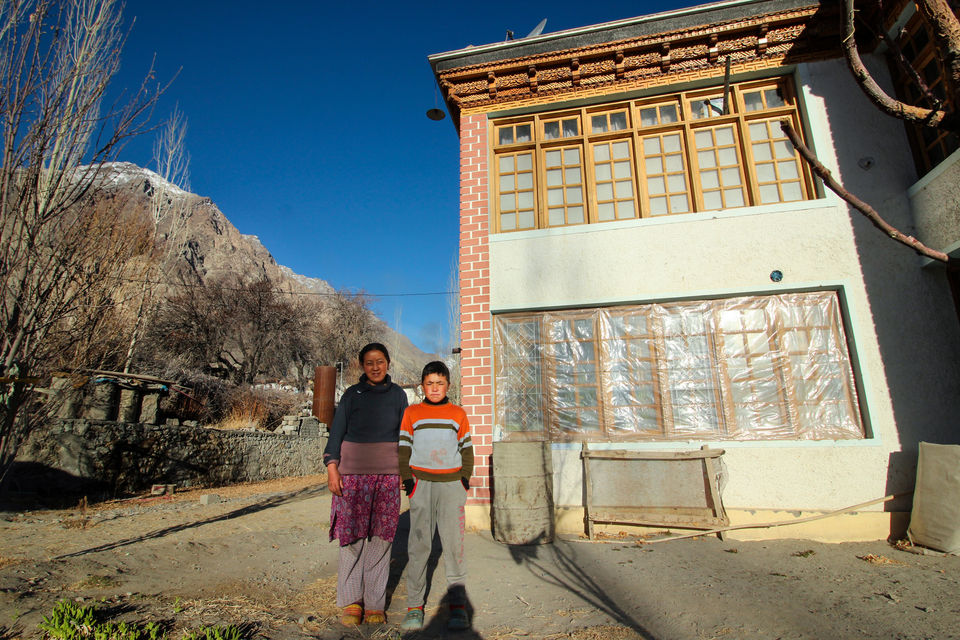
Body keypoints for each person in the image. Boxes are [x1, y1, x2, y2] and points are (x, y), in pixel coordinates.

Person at [323, 343, 408, 626]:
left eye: (380, 361)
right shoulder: (351, 395)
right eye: (369, 362)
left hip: (387, 478)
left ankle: (374, 603)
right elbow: (336, 434)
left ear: (388, 363)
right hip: (352, 478)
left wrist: (406, 473)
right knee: (352, 538)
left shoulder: (398, 395)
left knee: (382, 539)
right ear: (362, 366)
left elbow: (405, 436)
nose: (375, 367)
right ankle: (352, 601)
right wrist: (332, 468)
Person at [398, 360, 474, 631]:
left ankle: (457, 607)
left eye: (439, 383)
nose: (434, 388)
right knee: (420, 546)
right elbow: (404, 447)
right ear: (422, 386)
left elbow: (467, 449)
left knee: (453, 546)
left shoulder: (458, 413)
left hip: (451, 486)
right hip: (421, 485)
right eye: (429, 383)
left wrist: (463, 480)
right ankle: (415, 606)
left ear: (448, 385)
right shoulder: (412, 413)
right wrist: (409, 481)